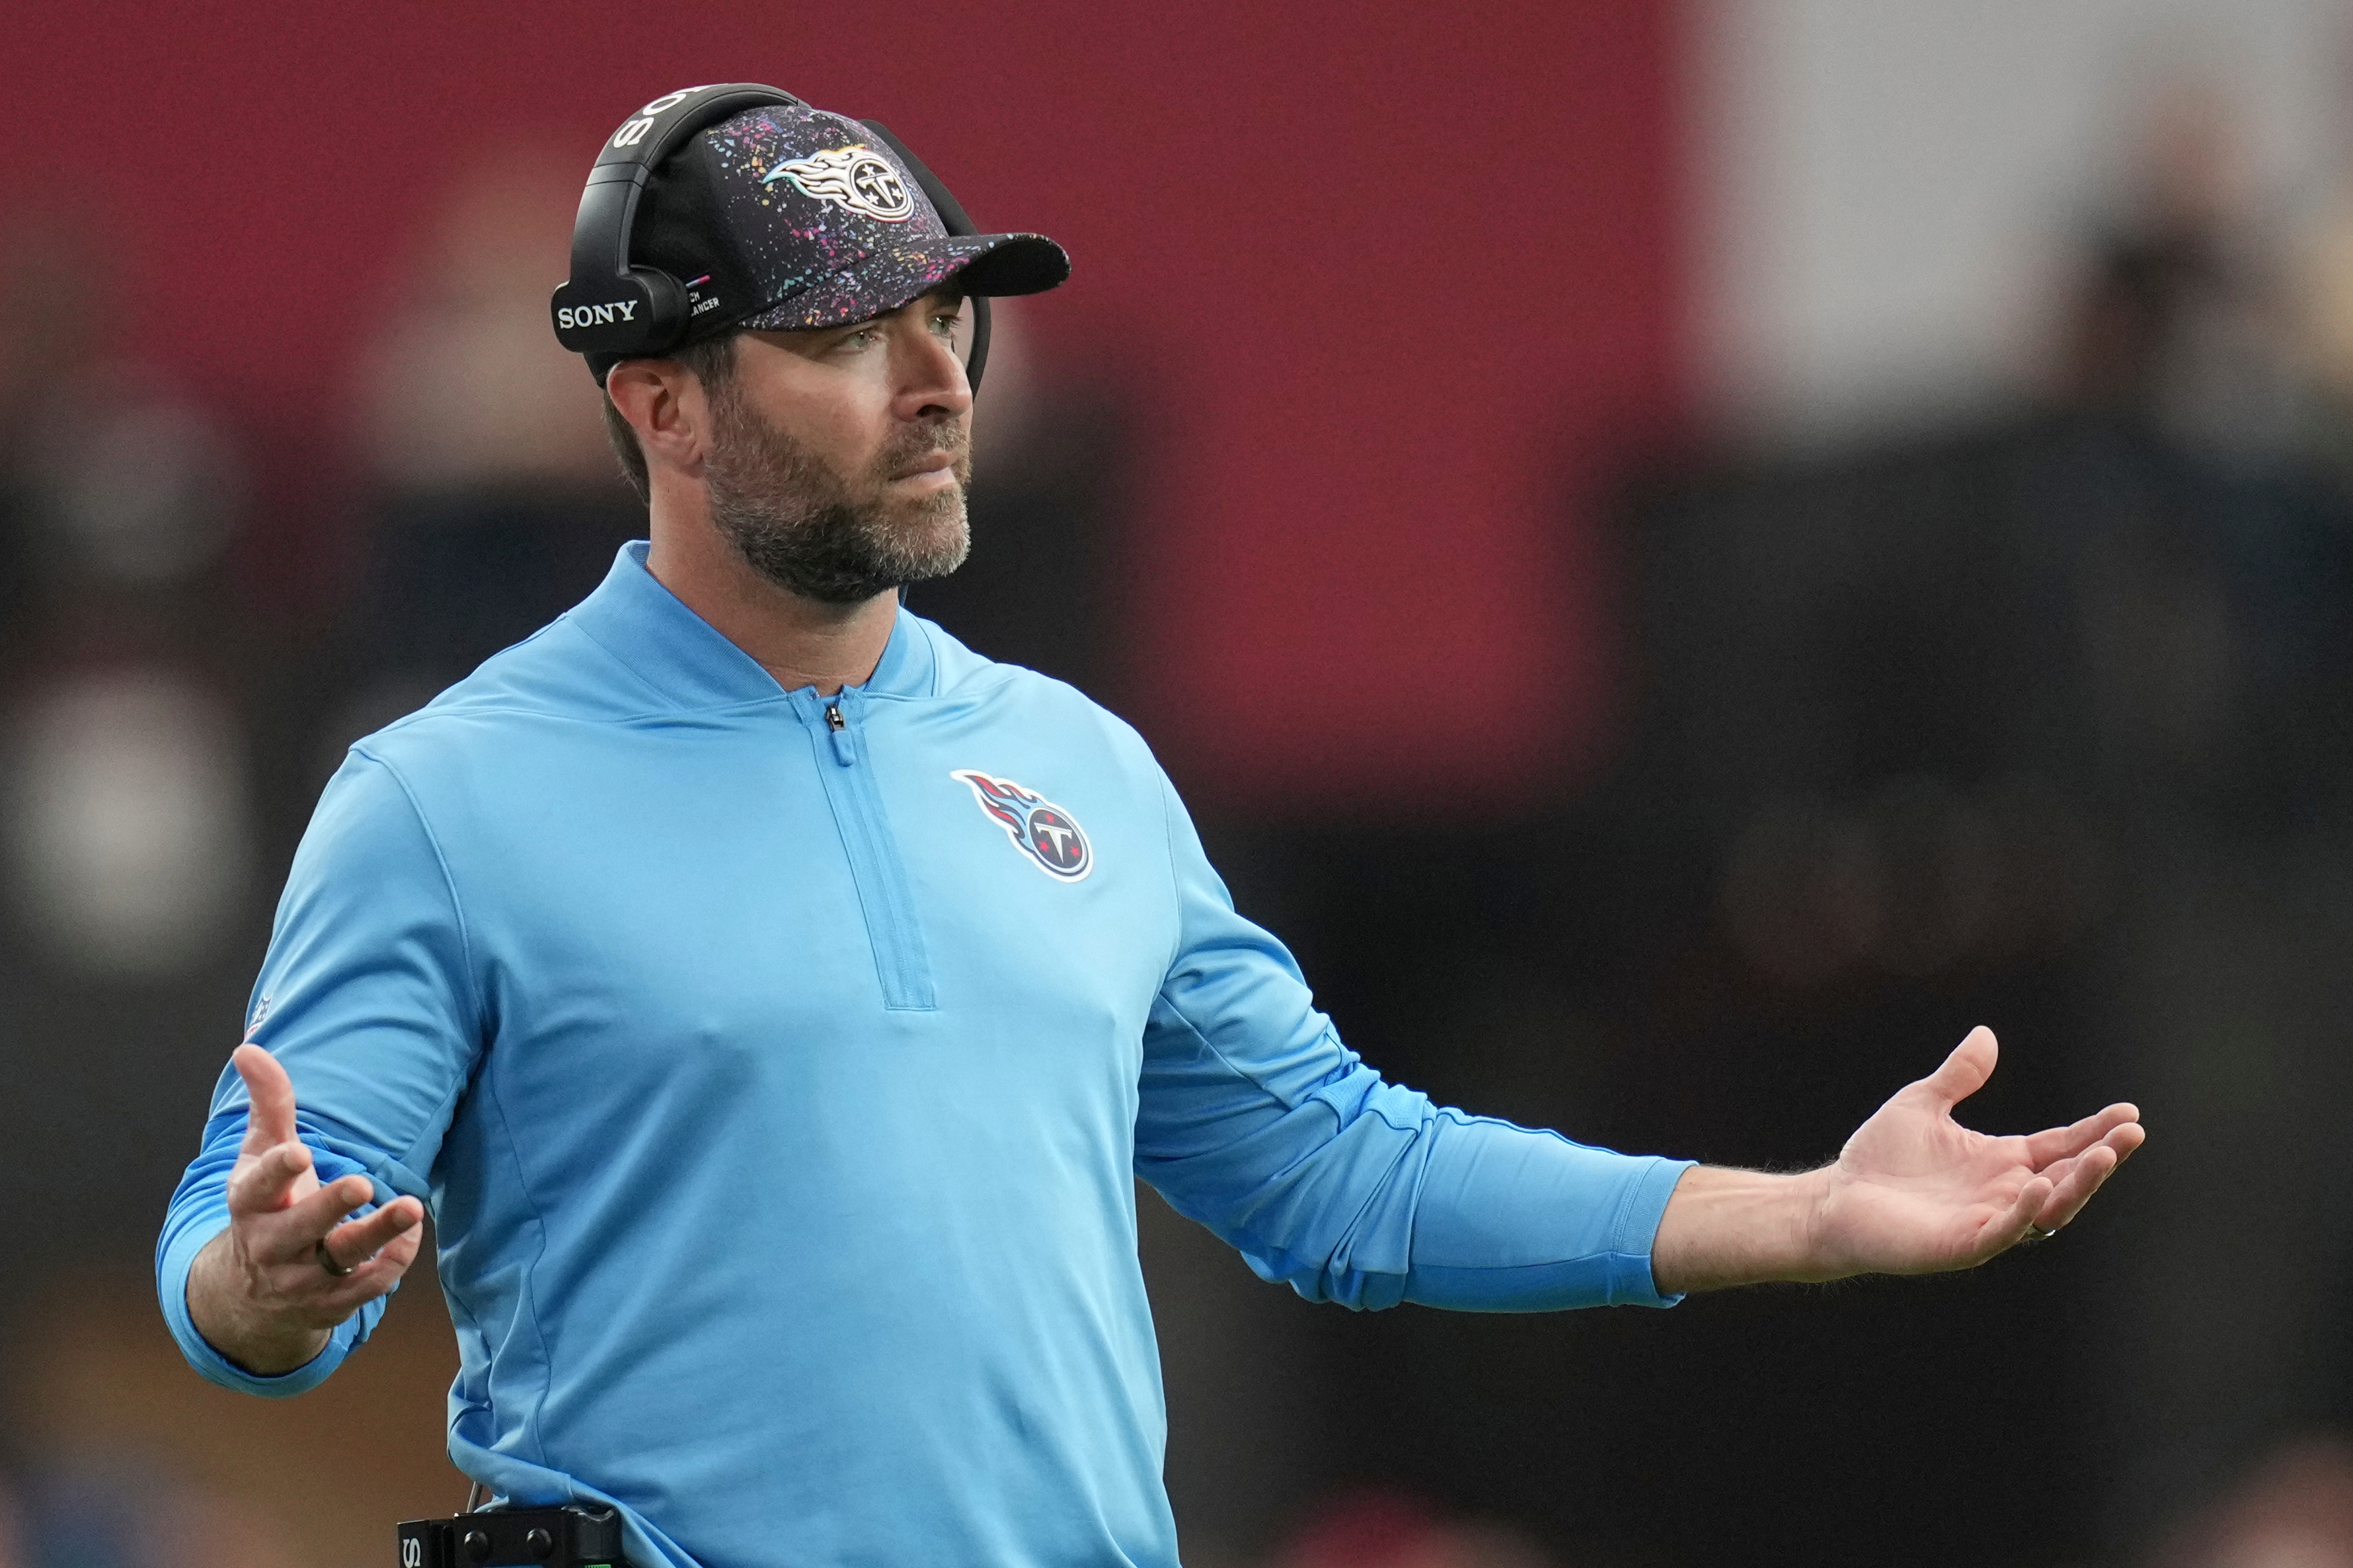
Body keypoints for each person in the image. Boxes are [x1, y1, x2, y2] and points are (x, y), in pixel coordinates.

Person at [157, 93, 2146, 1568]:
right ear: (664, 400)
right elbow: (240, 1258)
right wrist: (270, 1287)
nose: (941, 381)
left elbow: (1346, 1179)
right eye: (855, 336)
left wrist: (1804, 1211)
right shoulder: (447, 793)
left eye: (956, 320)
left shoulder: (1080, 768)